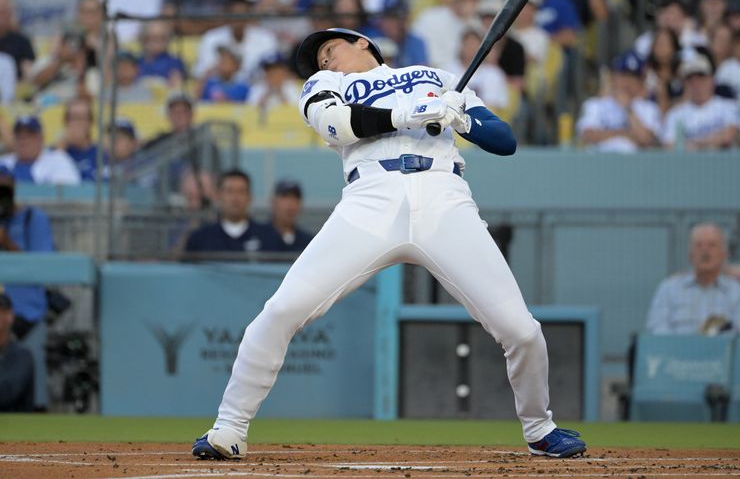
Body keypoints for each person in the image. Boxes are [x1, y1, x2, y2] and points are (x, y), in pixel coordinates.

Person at [191, 27, 587, 460]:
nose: (325, 61)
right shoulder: (327, 84)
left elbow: (504, 140)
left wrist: (460, 119)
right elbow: (336, 125)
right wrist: (404, 116)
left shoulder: (434, 76)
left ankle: (539, 427)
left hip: (443, 198)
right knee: (282, 310)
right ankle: (229, 427)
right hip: (370, 199)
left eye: (330, 49)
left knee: (521, 330)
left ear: (363, 42)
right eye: (320, 58)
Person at [0, 166, 55, 410]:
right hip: (2, 314)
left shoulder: (34, 218)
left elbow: (43, 266)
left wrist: (6, 243)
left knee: (33, 389)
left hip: (28, 315)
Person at [645, 223, 740, 336]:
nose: (705, 251)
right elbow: (657, 329)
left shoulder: (739, 293)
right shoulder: (668, 290)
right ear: (690, 254)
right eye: (699, 245)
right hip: (676, 352)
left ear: (724, 254)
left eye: (712, 245)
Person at [577, 50, 661, 152]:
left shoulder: (649, 108)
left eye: (633, 76)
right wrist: (624, 134)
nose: (627, 81)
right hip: (598, 163)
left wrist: (628, 108)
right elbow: (588, 136)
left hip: (635, 165)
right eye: (623, 75)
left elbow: (646, 139)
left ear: (641, 81)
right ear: (613, 76)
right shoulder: (595, 104)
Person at [662, 51, 740, 150]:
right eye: (690, 79)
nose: (696, 83)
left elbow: (729, 136)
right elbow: (669, 145)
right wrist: (712, 142)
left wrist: (694, 144)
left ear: (711, 80)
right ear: (684, 84)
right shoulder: (675, 114)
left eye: (701, 77)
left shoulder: (728, 106)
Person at [184, 169, 270, 255]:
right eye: (229, 191)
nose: (235, 198)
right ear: (218, 196)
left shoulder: (268, 237)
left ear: (250, 197)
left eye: (241, 191)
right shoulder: (200, 238)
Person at [0, 115, 80, 185]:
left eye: (29, 136)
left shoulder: (58, 160)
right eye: (19, 136)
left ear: (41, 138)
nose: (24, 141)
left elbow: (69, 194)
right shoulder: (4, 162)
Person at [0, 292, 34, 412]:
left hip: (16, 424)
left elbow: (8, 393)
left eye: (3, 312)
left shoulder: (21, 354)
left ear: (10, 316)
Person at [262, 179, 314, 253]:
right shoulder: (258, 237)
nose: (290, 203)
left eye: (295, 198)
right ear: (273, 202)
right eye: (285, 197)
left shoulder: (309, 243)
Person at [58, 97, 99, 181]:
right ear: (66, 122)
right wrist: (61, 148)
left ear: (90, 122)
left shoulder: (101, 154)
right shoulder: (56, 151)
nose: (78, 123)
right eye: (74, 118)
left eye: (82, 118)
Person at [0, 0, 35, 80]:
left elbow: (29, 74)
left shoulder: (22, 42)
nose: (2, 16)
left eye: (5, 11)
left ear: (11, 13)